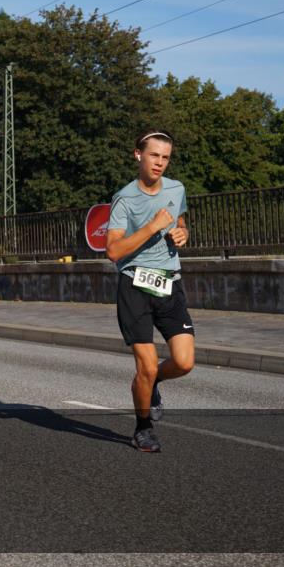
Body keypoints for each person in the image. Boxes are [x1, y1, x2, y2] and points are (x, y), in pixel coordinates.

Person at [105, 131, 194, 453]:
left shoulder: (176, 188)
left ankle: (153, 381)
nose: (159, 162)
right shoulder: (124, 199)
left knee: (184, 362)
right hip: (134, 285)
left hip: (169, 281)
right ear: (138, 155)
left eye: (165, 157)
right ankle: (143, 428)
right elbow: (113, 251)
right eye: (154, 155)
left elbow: (179, 219)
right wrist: (151, 227)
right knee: (145, 363)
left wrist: (182, 232)